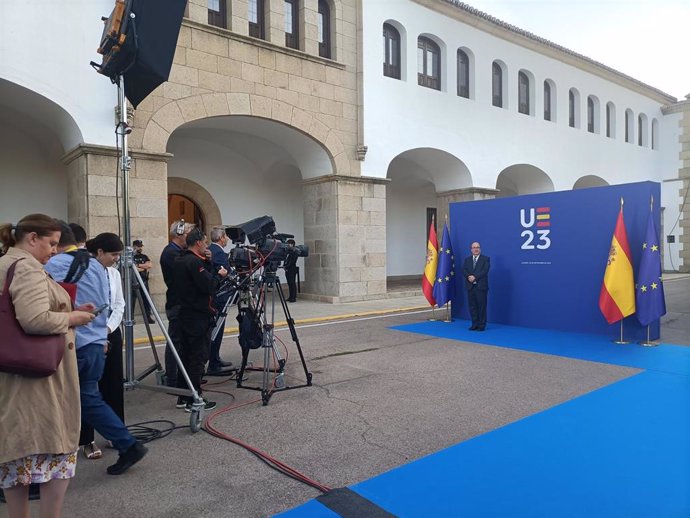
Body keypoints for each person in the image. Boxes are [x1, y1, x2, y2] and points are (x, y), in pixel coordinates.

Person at [0, 214, 94, 518]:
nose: (54, 250)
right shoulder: (26, 267)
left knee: (16, 456)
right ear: (32, 239)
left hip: (14, 373)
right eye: (51, 243)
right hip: (38, 379)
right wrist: (73, 318)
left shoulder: (5, 263)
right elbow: (35, 319)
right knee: (53, 447)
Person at [45, 224, 148, 475]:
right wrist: (102, 338)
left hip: (73, 345)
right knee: (90, 398)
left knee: (53, 401)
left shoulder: (54, 265)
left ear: (57, 243)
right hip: (93, 343)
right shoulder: (96, 267)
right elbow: (105, 305)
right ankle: (127, 444)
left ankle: (44, 467)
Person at [79, 233, 126, 460]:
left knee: (113, 384)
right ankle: (86, 440)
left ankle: (115, 433)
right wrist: (98, 333)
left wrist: (107, 329)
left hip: (110, 332)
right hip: (89, 335)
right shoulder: (84, 272)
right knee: (89, 388)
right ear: (99, 253)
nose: (117, 259)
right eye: (113, 254)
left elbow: (119, 304)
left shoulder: (114, 274)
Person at [173, 227, 228, 411]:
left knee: (185, 356)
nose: (206, 245)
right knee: (197, 357)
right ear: (198, 243)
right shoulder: (194, 263)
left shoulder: (179, 259)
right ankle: (195, 398)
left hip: (184, 313)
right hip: (197, 316)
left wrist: (209, 262)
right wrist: (220, 276)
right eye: (204, 242)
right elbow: (209, 285)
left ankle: (183, 396)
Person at [160, 220, 195, 390]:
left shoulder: (179, 251)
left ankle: (182, 376)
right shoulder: (171, 253)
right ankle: (172, 379)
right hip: (177, 302)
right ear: (180, 233)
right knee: (175, 341)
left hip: (182, 301)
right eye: (188, 233)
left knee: (182, 341)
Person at [206, 227, 234, 375]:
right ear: (221, 238)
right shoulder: (217, 252)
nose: (228, 240)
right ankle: (213, 363)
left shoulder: (212, 250)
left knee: (216, 329)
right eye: (226, 237)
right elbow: (224, 272)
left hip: (216, 296)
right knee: (217, 329)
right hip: (219, 297)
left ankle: (215, 358)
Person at [462, 242, 490, 331]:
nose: (476, 249)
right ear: (471, 249)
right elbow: (464, 270)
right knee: (472, 306)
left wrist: (475, 277)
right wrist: (468, 277)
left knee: (481, 307)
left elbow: (485, 271)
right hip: (470, 287)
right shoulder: (467, 260)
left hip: (481, 287)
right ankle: (474, 324)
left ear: (480, 249)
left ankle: (481, 325)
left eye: (477, 247)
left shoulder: (486, 259)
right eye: (474, 247)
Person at [132, 239, 154, 324]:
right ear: (134, 246)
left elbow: (149, 265)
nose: (140, 248)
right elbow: (134, 269)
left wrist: (138, 265)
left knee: (146, 299)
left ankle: (148, 317)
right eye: (138, 246)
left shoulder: (144, 256)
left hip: (144, 281)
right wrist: (141, 267)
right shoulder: (131, 257)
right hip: (134, 281)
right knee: (132, 300)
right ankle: (132, 318)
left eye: (141, 246)